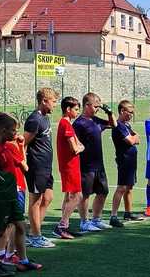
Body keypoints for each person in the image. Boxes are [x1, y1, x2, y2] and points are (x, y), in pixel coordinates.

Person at [0, 113, 43, 277]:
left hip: (11, 194)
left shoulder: (8, 147)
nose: (16, 133)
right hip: (0, 196)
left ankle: (22, 261)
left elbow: (22, 166)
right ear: (3, 131)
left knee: (20, 225)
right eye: (13, 130)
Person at [73, 93, 116, 231]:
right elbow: (74, 143)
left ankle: (96, 219)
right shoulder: (79, 123)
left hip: (99, 164)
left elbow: (113, 124)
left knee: (103, 191)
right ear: (87, 105)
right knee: (85, 194)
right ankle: (84, 221)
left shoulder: (96, 120)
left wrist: (109, 112)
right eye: (96, 106)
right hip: (86, 165)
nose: (98, 109)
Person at [24, 88, 58, 248]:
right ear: (44, 101)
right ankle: (35, 236)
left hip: (46, 166)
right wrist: (23, 164)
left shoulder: (45, 118)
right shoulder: (34, 119)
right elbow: (22, 143)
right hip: (36, 166)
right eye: (53, 101)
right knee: (35, 201)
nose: (55, 105)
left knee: (48, 198)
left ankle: (33, 231)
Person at [53, 97, 85, 239]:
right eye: (76, 109)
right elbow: (75, 148)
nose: (78, 112)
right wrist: (80, 147)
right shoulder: (65, 124)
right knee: (77, 196)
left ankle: (64, 226)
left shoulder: (66, 124)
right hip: (69, 166)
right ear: (68, 109)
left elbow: (78, 143)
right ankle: (62, 225)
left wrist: (80, 146)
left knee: (69, 196)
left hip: (69, 165)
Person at [110, 100, 141, 226]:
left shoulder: (126, 125)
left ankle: (128, 213)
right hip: (124, 159)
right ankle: (113, 216)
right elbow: (131, 140)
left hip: (131, 160)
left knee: (129, 186)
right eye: (130, 112)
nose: (131, 115)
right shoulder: (118, 126)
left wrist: (135, 138)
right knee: (122, 187)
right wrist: (134, 139)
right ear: (122, 111)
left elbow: (136, 136)